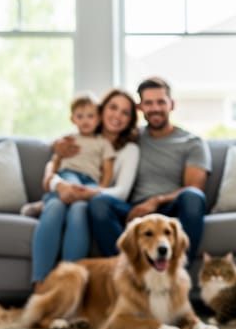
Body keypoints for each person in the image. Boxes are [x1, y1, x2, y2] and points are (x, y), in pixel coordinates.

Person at [87, 77, 211, 262]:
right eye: (149, 103)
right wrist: (63, 145)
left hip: (170, 208)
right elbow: (95, 138)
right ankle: (127, 270)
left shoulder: (192, 143)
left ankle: (177, 273)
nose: (155, 108)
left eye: (161, 102)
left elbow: (195, 187)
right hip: (133, 208)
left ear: (172, 104)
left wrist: (156, 201)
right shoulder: (131, 136)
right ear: (140, 108)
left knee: (194, 196)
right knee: (99, 203)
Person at [29, 88, 141, 288]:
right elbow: (53, 166)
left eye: (125, 112)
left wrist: (93, 191)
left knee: (80, 208)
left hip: (91, 195)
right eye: (113, 108)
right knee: (55, 207)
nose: (117, 115)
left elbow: (120, 190)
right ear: (101, 111)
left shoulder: (127, 149)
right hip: (65, 185)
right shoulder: (75, 138)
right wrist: (59, 183)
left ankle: (70, 285)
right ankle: (40, 283)